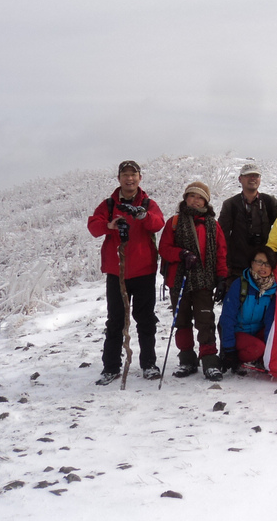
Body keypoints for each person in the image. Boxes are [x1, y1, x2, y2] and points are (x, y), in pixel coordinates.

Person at [87, 160, 165, 386]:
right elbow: (93, 226)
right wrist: (110, 225)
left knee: (146, 319)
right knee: (115, 321)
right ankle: (111, 367)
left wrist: (143, 216)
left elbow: (158, 223)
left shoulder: (148, 203)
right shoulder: (109, 204)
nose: (129, 179)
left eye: (133, 174)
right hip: (116, 272)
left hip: (143, 272)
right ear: (119, 178)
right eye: (125, 175)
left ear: (140, 177)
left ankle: (148, 364)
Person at [159, 181, 229, 381]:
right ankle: (187, 360)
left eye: (200, 197)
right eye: (192, 196)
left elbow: (221, 253)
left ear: (206, 200)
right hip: (178, 280)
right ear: (185, 198)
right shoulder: (174, 222)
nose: (196, 200)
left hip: (204, 281)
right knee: (181, 322)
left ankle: (209, 361)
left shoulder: (213, 225)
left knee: (205, 321)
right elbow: (164, 248)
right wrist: (181, 254)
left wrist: (222, 276)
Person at [218, 162, 277, 285]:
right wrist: (226, 265)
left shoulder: (268, 202)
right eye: (248, 175)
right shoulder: (231, 204)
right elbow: (222, 237)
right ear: (240, 179)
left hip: (264, 266)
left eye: (256, 176)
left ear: (260, 179)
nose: (252, 178)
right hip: (238, 266)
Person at [219, 246, 277, 373]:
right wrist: (229, 348)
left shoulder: (272, 291)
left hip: (257, 333)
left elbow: (270, 322)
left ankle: (261, 359)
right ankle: (236, 358)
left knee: (273, 343)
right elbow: (227, 317)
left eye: (267, 264)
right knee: (258, 348)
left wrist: (270, 352)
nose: (263, 267)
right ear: (252, 263)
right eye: (259, 262)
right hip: (238, 333)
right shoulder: (240, 285)